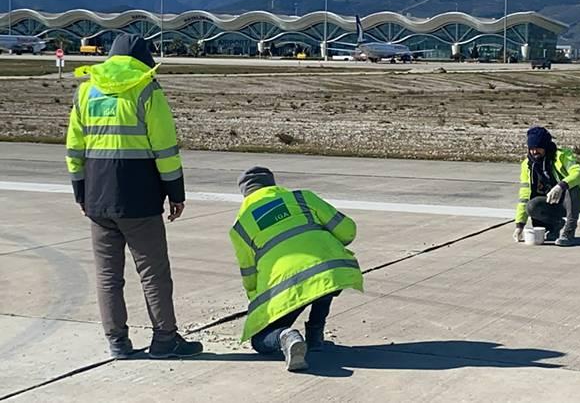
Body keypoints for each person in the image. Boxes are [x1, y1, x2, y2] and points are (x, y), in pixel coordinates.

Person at [65, 34, 203, 359]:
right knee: (153, 272)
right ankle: (165, 339)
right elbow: (165, 150)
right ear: (144, 61)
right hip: (139, 199)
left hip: (97, 197)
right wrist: (176, 193)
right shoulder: (147, 90)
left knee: (107, 275)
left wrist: (80, 191)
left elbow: (74, 148)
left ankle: (117, 342)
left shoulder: (86, 90)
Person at [230, 167, 363, 371]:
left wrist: (258, 304)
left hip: (285, 286)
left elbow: (249, 273)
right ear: (272, 185)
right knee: (323, 279)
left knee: (260, 340)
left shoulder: (240, 226)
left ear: (245, 194)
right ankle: (315, 336)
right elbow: (347, 231)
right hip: (330, 271)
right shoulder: (302, 197)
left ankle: (286, 336)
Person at [512, 126, 580, 246]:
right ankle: (555, 225)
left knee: (572, 188)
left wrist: (561, 186)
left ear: (545, 146)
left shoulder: (562, 156)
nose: (534, 152)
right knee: (531, 206)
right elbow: (524, 196)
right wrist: (519, 225)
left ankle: (568, 232)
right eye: (532, 148)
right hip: (550, 204)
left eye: (538, 148)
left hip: (571, 202)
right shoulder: (527, 165)